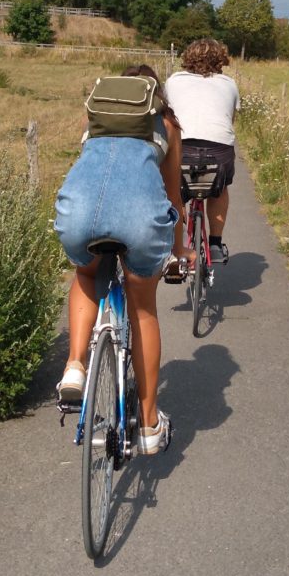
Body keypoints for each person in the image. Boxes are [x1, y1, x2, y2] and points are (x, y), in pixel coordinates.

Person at [53, 65, 193, 456]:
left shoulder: (96, 117)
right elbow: (173, 197)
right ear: (153, 94)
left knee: (85, 274)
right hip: (140, 220)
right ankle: (149, 425)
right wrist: (180, 250)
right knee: (142, 306)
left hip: (78, 211)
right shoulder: (166, 123)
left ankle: (76, 366)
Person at [165, 38, 240, 263]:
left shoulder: (173, 81)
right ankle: (215, 244)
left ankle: (175, 249)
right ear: (221, 60)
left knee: (173, 191)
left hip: (183, 148)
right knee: (220, 189)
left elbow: (166, 116)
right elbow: (230, 118)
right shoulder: (229, 83)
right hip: (219, 151)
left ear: (188, 58)